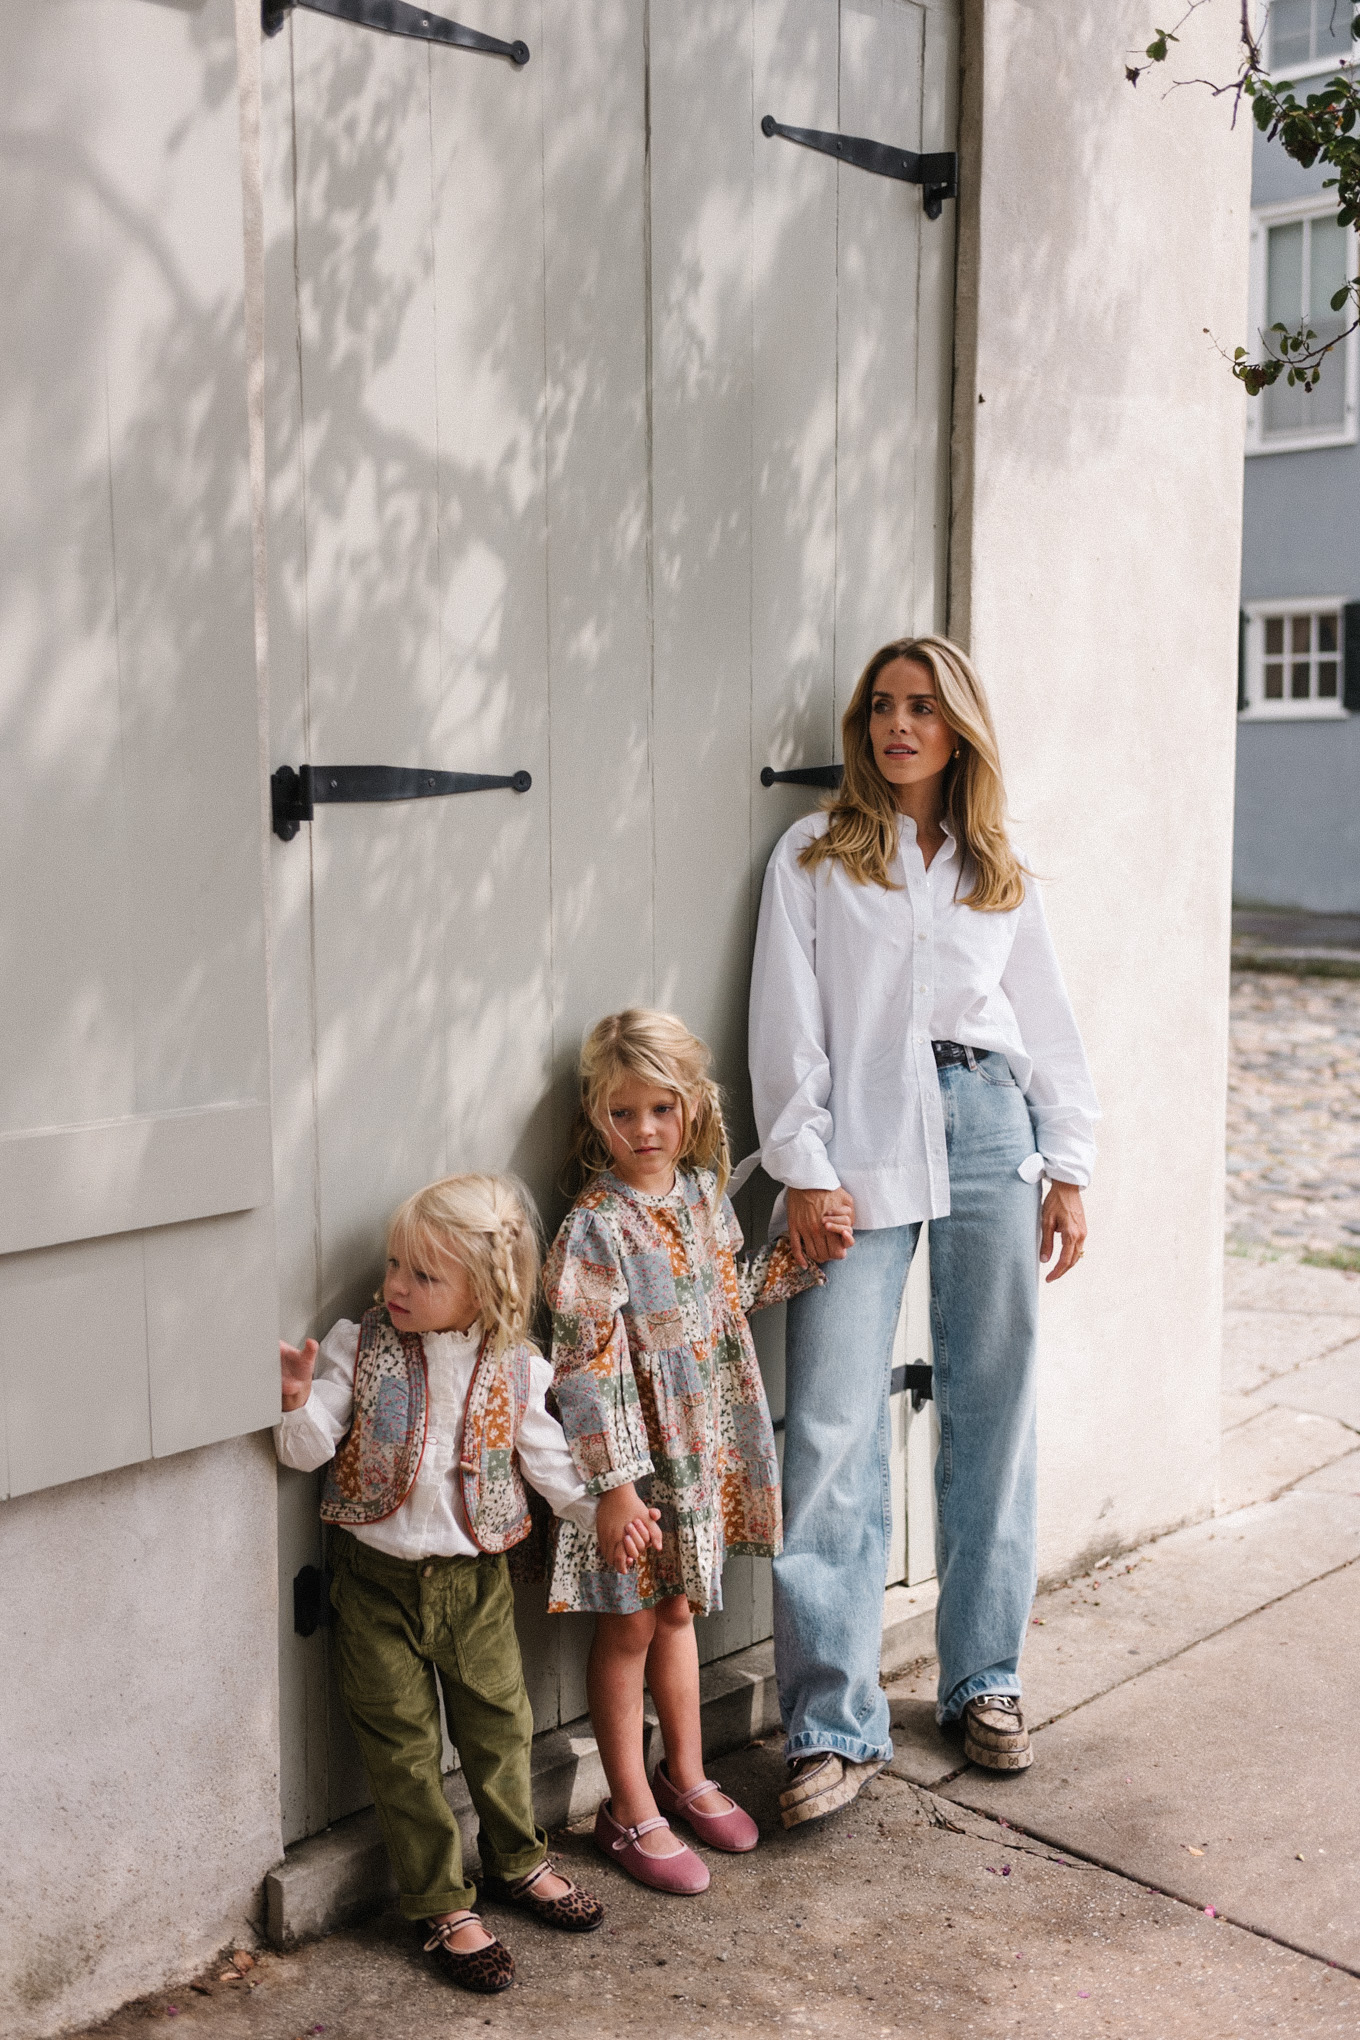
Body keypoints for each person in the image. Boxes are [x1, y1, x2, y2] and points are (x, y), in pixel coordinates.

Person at [749, 634, 1099, 1829]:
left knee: (993, 1407)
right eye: (884, 707)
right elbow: (786, 1019)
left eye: (923, 708)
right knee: (836, 1422)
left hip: (994, 1127)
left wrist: (1070, 1164)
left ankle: (983, 1680)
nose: (900, 726)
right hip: (859, 1139)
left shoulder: (997, 868)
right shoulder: (812, 852)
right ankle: (829, 1724)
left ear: (959, 730)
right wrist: (801, 1165)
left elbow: (1043, 1024)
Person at [275, 1173, 620, 1996]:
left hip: (475, 1584)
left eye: (423, 1275)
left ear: (488, 1289)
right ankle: (440, 1902)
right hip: (374, 1584)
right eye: (396, 1265)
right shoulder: (361, 1346)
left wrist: (603, 1512)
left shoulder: (517, 1367)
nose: (395, 1285)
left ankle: (517, 1860)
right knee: (402, 1747)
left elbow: (545, 1463)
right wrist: (294, 1403)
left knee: (500, 1727)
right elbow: (309, 1446)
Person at [543, 1010, 838, 1892]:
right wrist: (616, 1488)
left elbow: (725, 1299)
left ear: (691, 1110)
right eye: (623, 1114)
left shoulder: (703, 1196)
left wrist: (800, 1257)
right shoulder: (594, 1227)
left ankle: (687, 1773)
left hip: (696, 1444)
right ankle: (627, 1808)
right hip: (631, 1467)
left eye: (661, 1110)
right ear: (598, 1119)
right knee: (630, 1620)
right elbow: (584, 1368)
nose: (644, 1131)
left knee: (678, 1612)